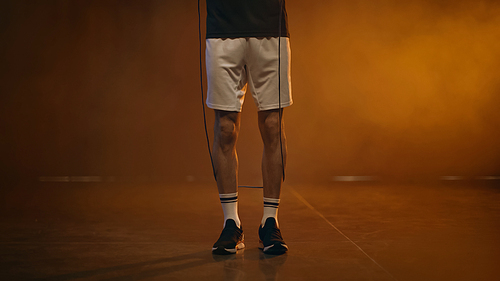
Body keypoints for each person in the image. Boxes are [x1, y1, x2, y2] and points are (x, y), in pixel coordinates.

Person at [205, 0, 292, 255]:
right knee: (225, 127)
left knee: (273, 124)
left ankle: (270, 221)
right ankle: (231, 222)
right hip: (222, 26)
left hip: (269, 25)